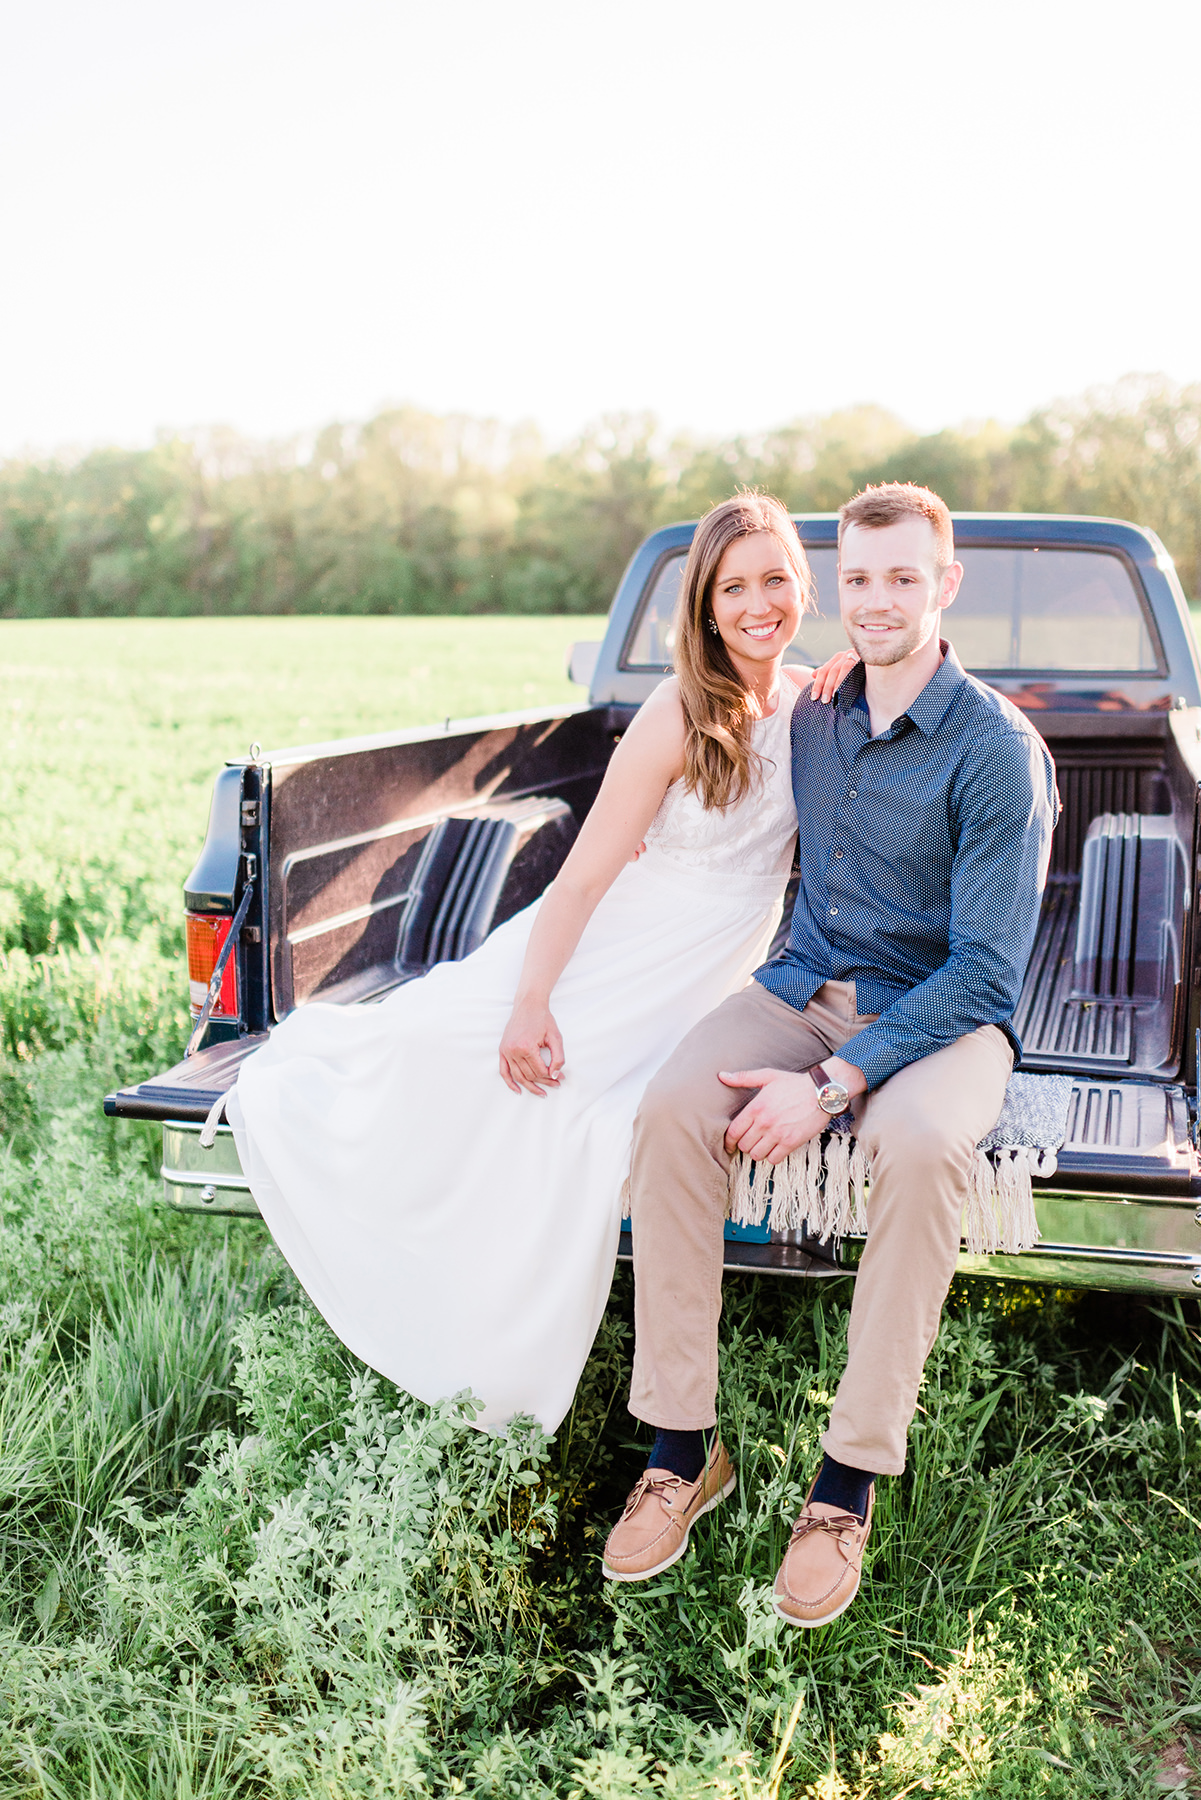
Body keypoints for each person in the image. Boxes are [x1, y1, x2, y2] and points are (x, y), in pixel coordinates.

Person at [227, 493, 855, 1436]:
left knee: (596, 1117)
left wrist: (849, 669)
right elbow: (578, 882)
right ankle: (378, 1202)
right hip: (615, 946)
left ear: (804, 590)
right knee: (449, 1054)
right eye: (733, 586)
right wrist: (531, 1002)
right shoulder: (677, 713)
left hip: (705, 971)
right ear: (705, 604)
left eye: (775, 579)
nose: (756, 602)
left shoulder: (815, 699)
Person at [602, 481, 1059, 1628]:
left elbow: (987, 972)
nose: (877, 600)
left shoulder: (997, 750)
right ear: (835, 585)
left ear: (945, 585)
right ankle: (681, 1444)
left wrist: (832, 1084)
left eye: (903, 576)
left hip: (941, 1017)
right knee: (669, 1107)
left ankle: (844, 1482)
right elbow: (725, 702)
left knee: (912, 1148)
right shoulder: (812, 709)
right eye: (856, 578)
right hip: (803, 987)